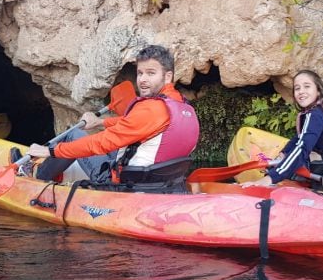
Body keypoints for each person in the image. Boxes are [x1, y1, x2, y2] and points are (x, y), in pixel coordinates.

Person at [27, 44, 200, 187]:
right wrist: (100, 123)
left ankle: (36, 176)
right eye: (140, 73)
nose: (142, 79)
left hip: (125, 184)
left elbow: (101, 143)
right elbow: (135, 124)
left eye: (150, 73)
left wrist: (50, 151)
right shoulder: (183, 107)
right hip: (165, 183)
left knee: (73, 135)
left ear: (167, 76)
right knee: (116, 148)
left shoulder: (152, 109)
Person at [245, 70, 323, 199]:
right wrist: (284, 153)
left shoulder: (315, 114)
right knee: (294, 162)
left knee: (295, 166)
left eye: (307, 86)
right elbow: (301, 137)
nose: (301, 91)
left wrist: (270, 178)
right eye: (297, 88)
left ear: (318, 90)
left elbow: (302, 148)